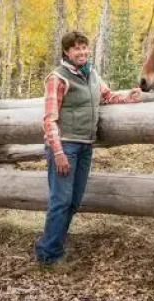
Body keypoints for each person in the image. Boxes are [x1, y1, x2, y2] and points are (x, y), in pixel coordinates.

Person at [33, 31, 142, 265]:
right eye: (76, 48)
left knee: (73, 202)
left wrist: (128, 97)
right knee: (61, 201)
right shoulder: (57, 78)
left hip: (85, 146)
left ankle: (50, 245)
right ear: (67, 52)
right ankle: (48, 255)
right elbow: (49, 119)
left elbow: (106, 96)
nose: (82, 52)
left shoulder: (91, 73)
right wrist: (58, 152)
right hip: (65, 147)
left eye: (84, 47)